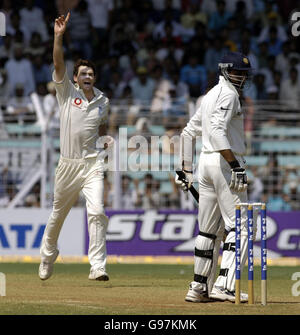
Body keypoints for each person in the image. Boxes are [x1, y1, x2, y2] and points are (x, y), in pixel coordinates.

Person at [39, 13, 110, 282]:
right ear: (76, 79)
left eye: (91, 73)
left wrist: (105, 142)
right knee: (58, 214)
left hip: (92, 164)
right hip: (68, 164)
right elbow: (58, 63)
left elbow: (101, 127)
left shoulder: (104, 100)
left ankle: (98, 266)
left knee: (98, 212)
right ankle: (47, 255)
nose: (88, 76)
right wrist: (58, 36)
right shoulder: (67, 93)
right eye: (83, 74)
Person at [176, 51, 253, 302]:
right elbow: (219, 133)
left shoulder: (209, 95)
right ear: (224, 70)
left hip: (205, 163)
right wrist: (236, 167)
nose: (241, 77)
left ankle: (199, 288)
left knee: (208, 231)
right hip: (224, 164)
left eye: (244, 73)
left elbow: (188, 133)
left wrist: (185, 169)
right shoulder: (228, 95)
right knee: (240, 226)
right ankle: (225, 285)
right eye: (237, 72)